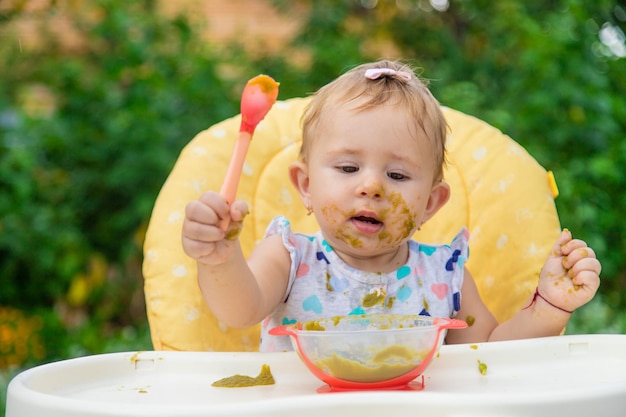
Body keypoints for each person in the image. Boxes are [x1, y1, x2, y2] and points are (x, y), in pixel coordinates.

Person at [181, 60, 601, 352]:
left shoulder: (445, 277)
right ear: (305, 186)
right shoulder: (290, 257)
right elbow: (239, 310)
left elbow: (489, 357)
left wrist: (549, 308)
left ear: (431, 204)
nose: (371, 187)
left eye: (397, 176)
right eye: (347, 167)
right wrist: (219, 259)